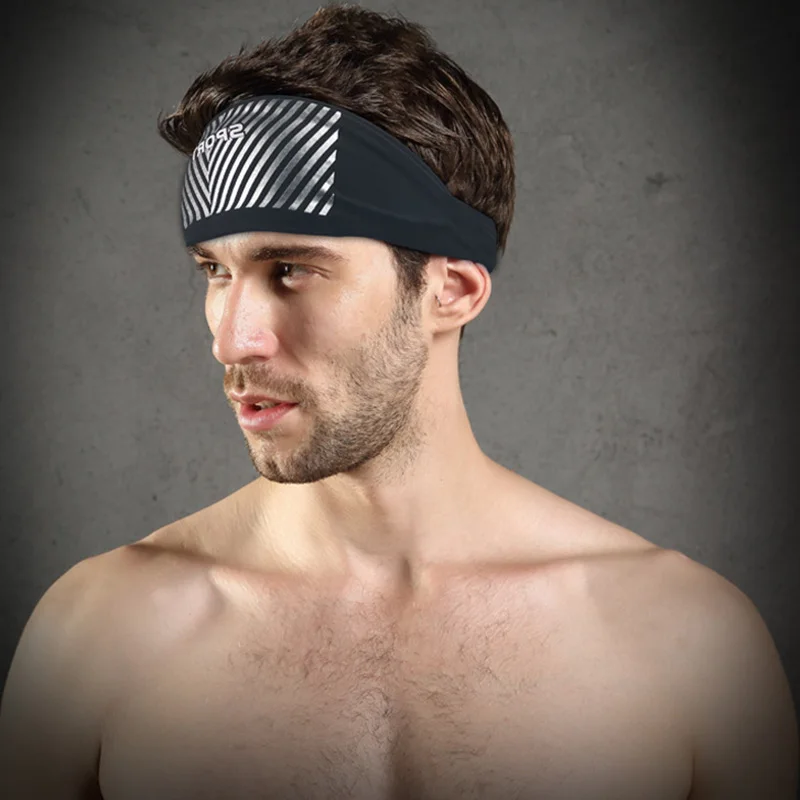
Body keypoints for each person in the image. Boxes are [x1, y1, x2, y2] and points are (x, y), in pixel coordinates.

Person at [1, 4, 797, 798]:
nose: (233, 340)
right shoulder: (100, 636)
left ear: (452, 290)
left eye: (291, 270)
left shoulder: (685, 646)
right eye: (215, 271)